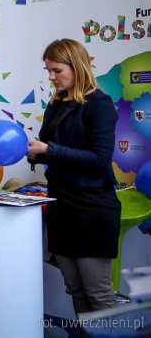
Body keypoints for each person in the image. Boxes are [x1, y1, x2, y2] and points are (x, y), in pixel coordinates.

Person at [27, 38, 120, 315]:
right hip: (61, 206)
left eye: (57, 70)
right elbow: (52, 151)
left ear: (77, 66)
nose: (51, 77)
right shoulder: (56, 103)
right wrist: (30, 151)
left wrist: (49, 150)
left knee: (98, 293)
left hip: (92, 209)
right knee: (76, 290)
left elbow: (99, 159)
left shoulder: (99, 104)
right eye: (48, 71)